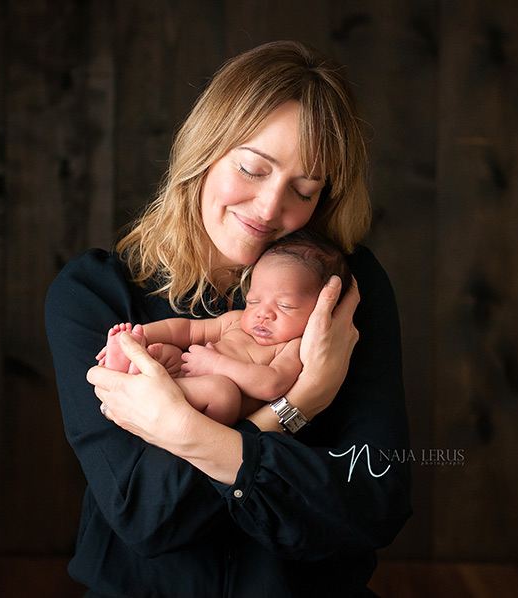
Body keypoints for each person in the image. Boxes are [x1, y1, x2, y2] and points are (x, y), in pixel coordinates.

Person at [46, 40, 411, 597]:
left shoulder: (342, 293)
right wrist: (295, 406)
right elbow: (145, 516)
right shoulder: (95, 296)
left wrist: (184, 433)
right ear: (204, 150)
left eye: (304, 190)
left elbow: (374, 499)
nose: (269, 208)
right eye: (251, 168)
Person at [97, 229, 353, 426]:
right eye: (254, 300)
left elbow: (272, 385)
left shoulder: (294, 347)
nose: (263, 313)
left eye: (285, 306)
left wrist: (216, 365)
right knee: (167, 352)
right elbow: (186, 330)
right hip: (186, 383)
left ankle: (146, 388)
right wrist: (142, 334)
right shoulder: (236, 321)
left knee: (224, 391)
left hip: (214, 411)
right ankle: (129, 361)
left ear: (320, 309)